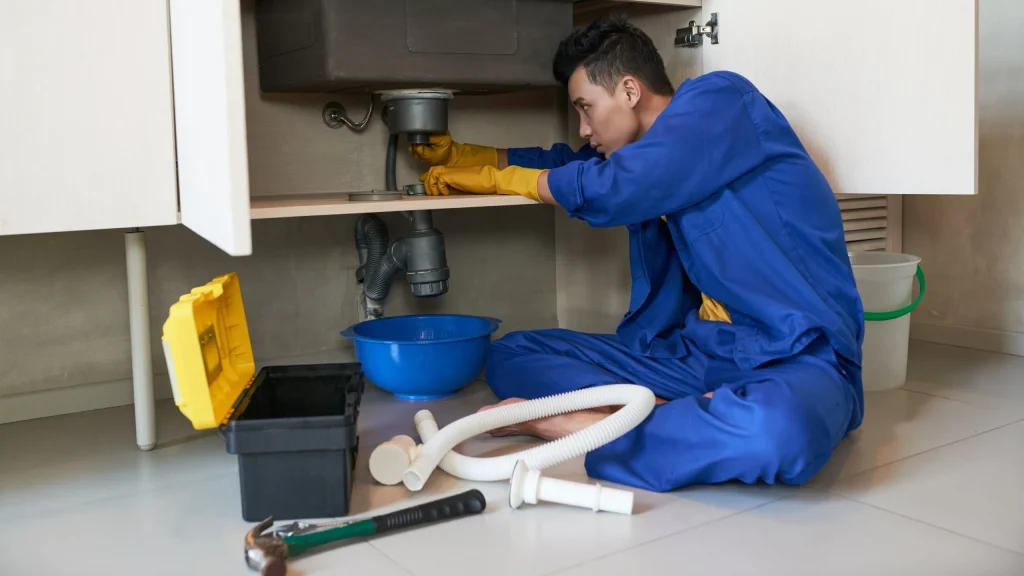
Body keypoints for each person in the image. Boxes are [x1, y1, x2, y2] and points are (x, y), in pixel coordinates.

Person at [412, 16, 865, 492]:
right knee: (511, 354)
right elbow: (568, 164)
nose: (584, 127)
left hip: (797, 356)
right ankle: (678, 419)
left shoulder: (722, 102)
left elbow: (615, 187)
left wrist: (506, 181)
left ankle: (579, 426)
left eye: (586, 108)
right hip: (698, 354)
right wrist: (468, 156)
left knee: (781, 433)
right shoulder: (640, 151)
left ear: (629, 90)